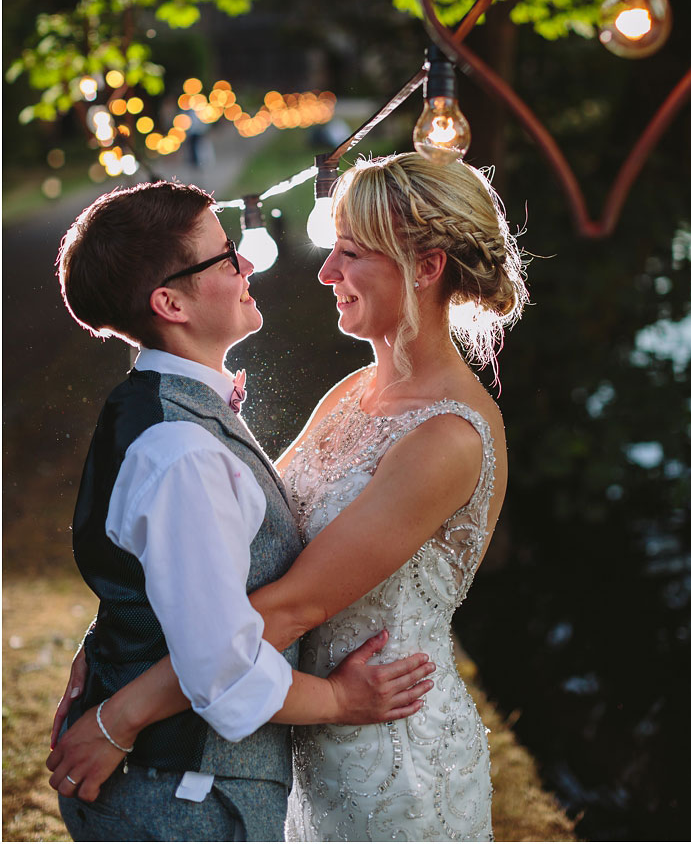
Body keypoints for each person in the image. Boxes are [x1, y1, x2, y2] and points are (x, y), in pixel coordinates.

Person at [49, 151, 527, 837]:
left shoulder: (447, 436)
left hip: (387, 754)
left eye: (352, 253)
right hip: (299, 730)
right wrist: (108, 643)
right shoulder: (350, 396)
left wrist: (118, 715)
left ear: (427, 267)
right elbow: (220, 546)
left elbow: (294, 604)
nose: (327, 272)